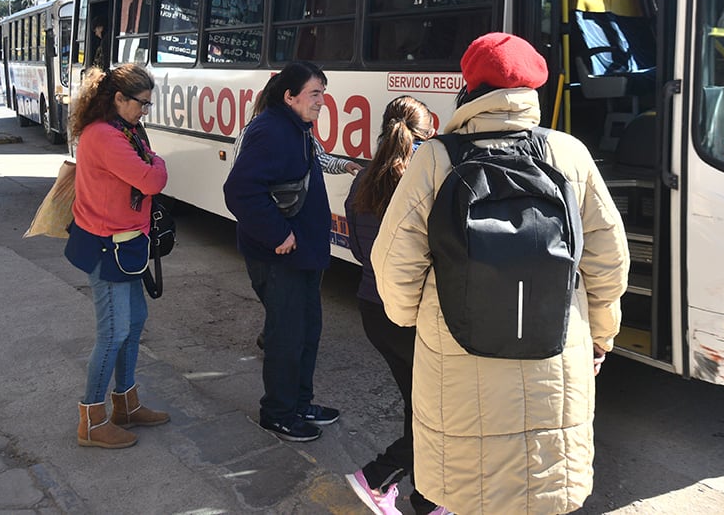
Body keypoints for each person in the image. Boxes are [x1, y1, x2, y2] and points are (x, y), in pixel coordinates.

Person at [371, 32, 630, 515]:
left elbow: (394, 266)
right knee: (542, 492)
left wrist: (413, 319)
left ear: (471, 88)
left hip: (457, 357)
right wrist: (603, 336)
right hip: (555, 350)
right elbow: (609, 262)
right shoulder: (568, 154)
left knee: (471, 492)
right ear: (531, 91)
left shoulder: (437, 158)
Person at [343, 96, 450, 515]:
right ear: (426, 134)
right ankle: (377, 478)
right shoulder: (425, 184)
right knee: (438, 413)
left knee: (419, 404)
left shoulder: (363, 180)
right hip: (413, 315)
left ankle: (427, 499)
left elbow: (357, 248)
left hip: (374, 308)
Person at [223, 61, 338, 443]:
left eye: (323, 93)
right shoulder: (272, 131)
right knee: (286, 337)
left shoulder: (296, 128)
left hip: (302, 255)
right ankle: (278, 413)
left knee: (307, 331)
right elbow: (239, 190)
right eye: (315, 94)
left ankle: (299, 403)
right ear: (289, 96)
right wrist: (278, 234)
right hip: (280, 256)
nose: (322, 101)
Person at [62, 64, 170, 449]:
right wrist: (156, 162)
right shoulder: (107, 137)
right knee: (113, 334)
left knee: (135, 321)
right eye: (141, 104)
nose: (145, 111)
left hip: (125, 246)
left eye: (147, 104)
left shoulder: (123, 131)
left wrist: (150, 159)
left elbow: (144, 170)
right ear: (118, 99)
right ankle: (91, 420)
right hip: (109, 247)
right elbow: (152, 179)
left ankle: (126, 404)